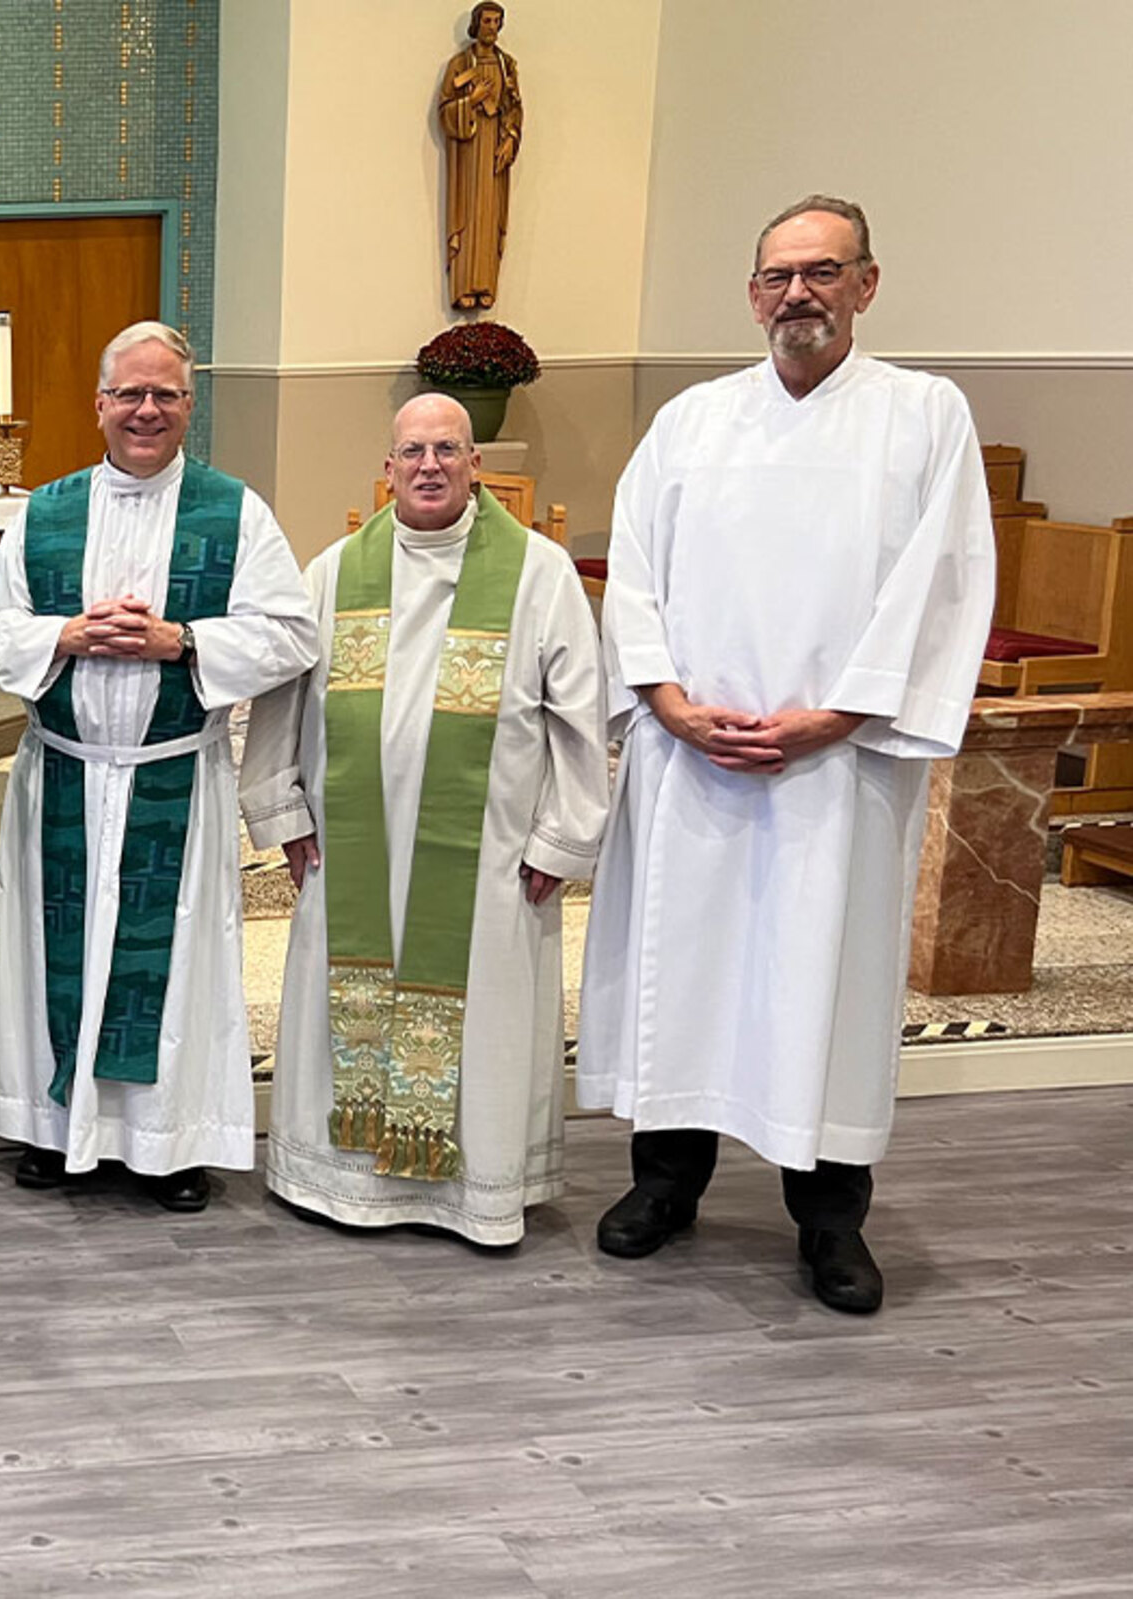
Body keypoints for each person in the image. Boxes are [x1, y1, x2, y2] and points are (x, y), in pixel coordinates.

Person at [578, 195, 994, 1312]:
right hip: (694, 758)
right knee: (684, 965)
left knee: (826, 978)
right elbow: (634, 571)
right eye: (777, 275)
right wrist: (666, 700)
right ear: (753, 293)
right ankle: (665, 1185)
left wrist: (840, 714)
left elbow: (943, 580)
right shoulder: (692, 422)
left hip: (834, 768)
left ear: (866, 284)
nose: (797, 293)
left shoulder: (922, 417)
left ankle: (830, 1219)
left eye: (821, 271)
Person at [241, 394, 608, 1247]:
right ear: (388, 467)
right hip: (351, 850)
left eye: (448, 450)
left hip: (490, 855)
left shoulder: (539, 574)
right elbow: (279, 700)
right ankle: (340, 1179)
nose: (430, 466)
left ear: (475, 465)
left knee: (483, 1009)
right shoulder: (335, 573)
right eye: (413, 451)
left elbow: (579, 716)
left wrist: (563, 834)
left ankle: (476, 1189)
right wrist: (282, 808)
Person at [0, 321, 317, 1212]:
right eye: (130, 393)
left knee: (178, 963)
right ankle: (54, 1132)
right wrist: (67, 634)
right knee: (54, 956)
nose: (146, 410)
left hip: (175, 781)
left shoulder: (235, 512)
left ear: (190, 406)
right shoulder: (44, 512)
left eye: (165, 394)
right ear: (100, 405)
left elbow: (292, 633)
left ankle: (171, 1143)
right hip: (64, 775)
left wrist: (181, 641)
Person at [438, 2, 521, 312]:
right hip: (468, 150)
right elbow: (445, 110)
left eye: (497, 22)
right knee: (469, 214)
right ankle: (463, 285)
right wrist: (470, 101)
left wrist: (510, 139)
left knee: (490, 214)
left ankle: (486, 284)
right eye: (487, 21)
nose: (492, 28)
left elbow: (515, 108)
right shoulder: (460, 65)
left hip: (494, 151)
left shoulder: (506, 65)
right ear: (476, 24)